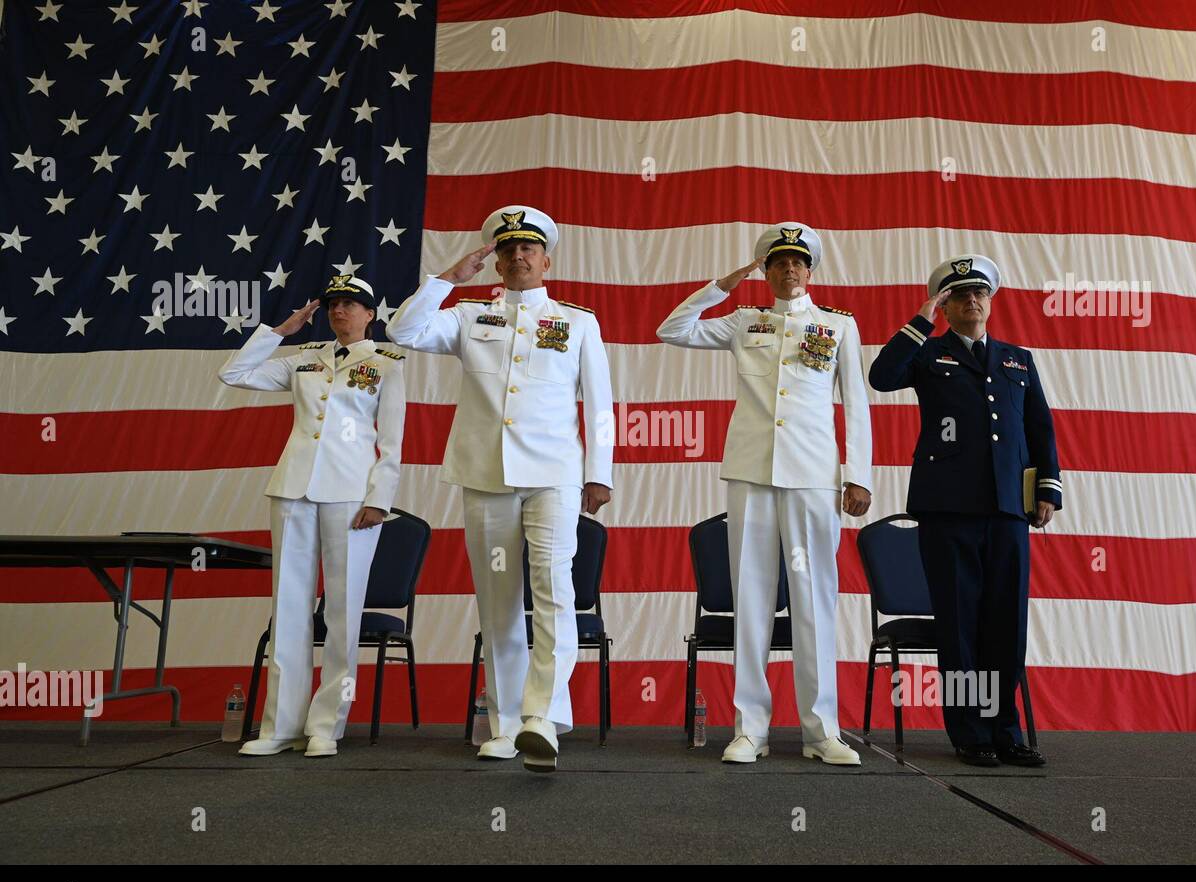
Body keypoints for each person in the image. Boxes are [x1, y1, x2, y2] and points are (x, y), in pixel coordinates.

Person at [386, 206, 613, 773]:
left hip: (554, 475)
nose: (517, 257)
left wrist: (599, 473)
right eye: (508, 250)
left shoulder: (577, 321)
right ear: (498, 261)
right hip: (486, 475)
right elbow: (402, 330)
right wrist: (445, 280)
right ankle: (508, 724)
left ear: (546, 260)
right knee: (499, 604)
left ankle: (541, 716)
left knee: (554, 590)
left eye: (528, 250)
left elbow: (601, 405)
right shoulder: (467, 317)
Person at [657, 223, 873, 765]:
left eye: (798, 261)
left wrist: (859, 474)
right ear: (766, 271)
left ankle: (822, 731)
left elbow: (858, 406)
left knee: (814, 601)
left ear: (811, 269)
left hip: (812, 475)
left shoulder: (837, 327)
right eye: (778, 262)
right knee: (749, 600)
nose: (789, 269)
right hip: (752, 472)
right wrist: (722, 286)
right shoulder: (741, 321)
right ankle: (749, 728)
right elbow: (672, 329)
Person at [868, 254, 1061, 767]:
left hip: (1007, 511)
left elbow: (1039, 429)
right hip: (947, 511)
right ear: (946, 307)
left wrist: (1048, 490)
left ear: (990, 302)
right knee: (960, 624)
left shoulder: (1018, 359)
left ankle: (1005, 728)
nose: (972, 301)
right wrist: (917, 322)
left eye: (979, 293)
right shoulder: (929, 355)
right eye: (959, 296)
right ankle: (969, 730)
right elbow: (881, 377)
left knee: (1005, 623)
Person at [218, 274, 406, 758]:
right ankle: (279, 726)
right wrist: (279, 331)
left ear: (369, 314)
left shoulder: (387, 362)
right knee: (289, 606)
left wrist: (380, 499)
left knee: (342, 611)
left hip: (350, 493)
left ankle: (326, 724)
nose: (340, 312)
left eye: (351, 305)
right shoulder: (306, 358)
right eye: (334, 305)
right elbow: (234, 374)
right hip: (293, 490)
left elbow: (393, 440)